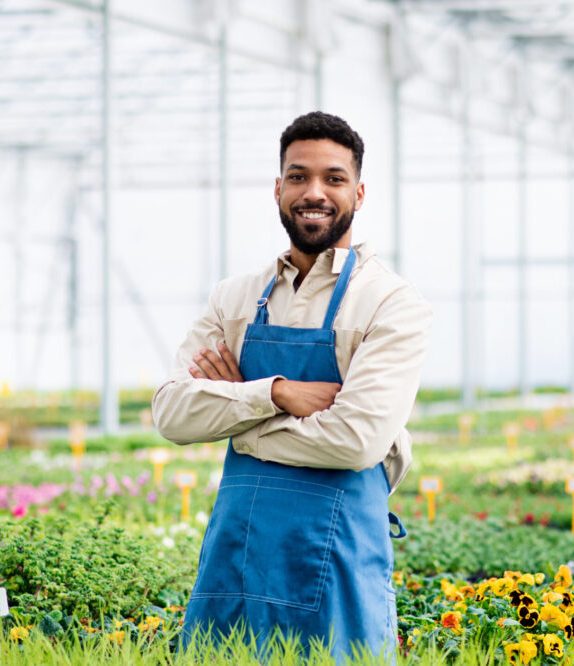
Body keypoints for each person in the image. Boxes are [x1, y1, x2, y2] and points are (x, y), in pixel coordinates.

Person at [152, 111, 432, 660]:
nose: (315, 192)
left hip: (336, 550)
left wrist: (238, 419)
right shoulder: (234, 298)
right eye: (299, 176)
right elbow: (170, 413)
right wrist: (276, 393)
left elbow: (355, 441)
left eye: (333, 178)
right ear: (278, 188)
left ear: (359, 191)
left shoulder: (391, 303)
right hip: (238, 545)